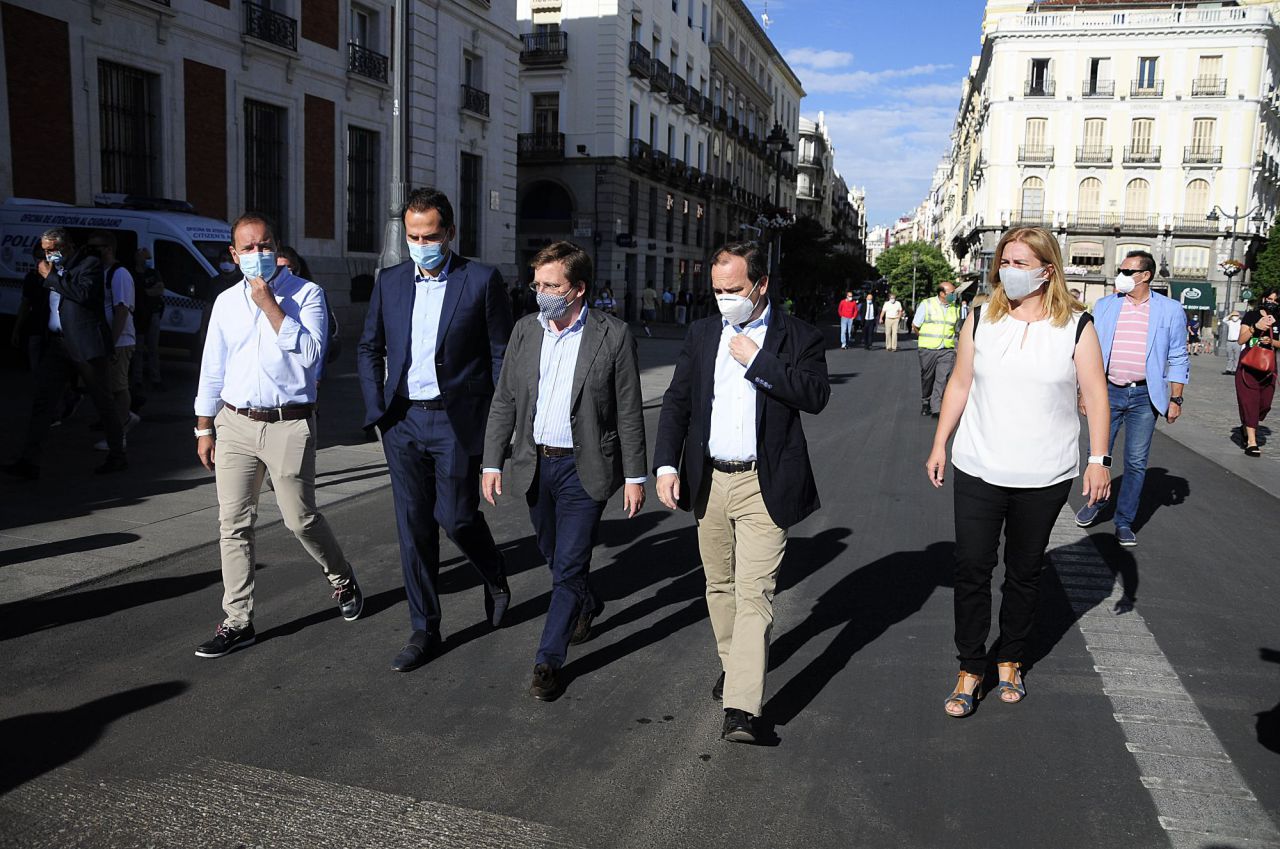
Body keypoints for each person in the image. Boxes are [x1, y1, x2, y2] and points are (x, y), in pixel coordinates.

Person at [926, 227, 1111, 718]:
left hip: (1045, 473)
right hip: (979, 464)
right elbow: (960, 384)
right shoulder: (980, 318)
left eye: (1020, 262)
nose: (1009, 269)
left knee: (1025, 572)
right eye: (1005, 260)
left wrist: (1098, 460)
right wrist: (940, 442)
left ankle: (1010, 657)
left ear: (1046, 269)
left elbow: (1095, 394)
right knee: (971, 568)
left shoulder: (1076, 324)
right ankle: (970, 666)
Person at [653, 241, 830, 744]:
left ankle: (742, 708)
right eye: (717, 291)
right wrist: (666, 465)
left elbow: (816, 395)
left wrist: (760, 363)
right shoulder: (703, 333)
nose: (725, 299)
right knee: (719, 587)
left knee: (756, 593)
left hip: (764, 482)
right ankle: (736, 669)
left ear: (761, 285)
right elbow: (677, 403)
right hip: (709, 477)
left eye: (734, 290)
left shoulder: (798, 336)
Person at [191, 213, 363, 657]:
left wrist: (269, 303)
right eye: (247, 248)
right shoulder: (226, 303)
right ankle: (237, 620)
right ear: (233, 255)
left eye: (264, 245)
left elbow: (311, 356)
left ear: (277, 247)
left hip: (289, 423)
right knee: (233, 524)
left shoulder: (307, 294)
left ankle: (342, 578)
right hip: (235, 422)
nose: (257, 254)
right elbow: (213, 367)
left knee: (300, 519)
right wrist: (204, 425)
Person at [357, 187, 514, 673]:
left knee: (457, 517)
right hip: (402, 420)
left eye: (429, 235)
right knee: (413, 528)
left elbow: (500, 357)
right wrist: (377, 409)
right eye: (411, 236)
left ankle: (493, 575)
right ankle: (424, 628)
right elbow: (369, 348)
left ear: (449, 233)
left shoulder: (482, 280)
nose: (420, 244)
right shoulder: (391, 280)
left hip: (456, 420)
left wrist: (497, 431)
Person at [482, 242, 647, 700]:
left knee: (569, 563)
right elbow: (505, 400)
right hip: (535, 463)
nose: (540, 293)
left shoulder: (612, 335)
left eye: (550, 285)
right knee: (553, 552)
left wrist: (636, 476)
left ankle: (547, 660)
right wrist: (491, 460)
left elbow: (629, 410)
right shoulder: (524, 332)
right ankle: (587, 601)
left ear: (577, 289)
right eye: (537, 284)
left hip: (584, 467)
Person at [1073, 251, 1189, 547]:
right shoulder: (1105, 305)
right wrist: (1083, 392)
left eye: (1127, 270)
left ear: (1145, 275)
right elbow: (1090, 353)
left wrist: (1176, 398)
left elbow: (1177, 356)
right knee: (1099, 454)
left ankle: (1124, 521)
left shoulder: (1170, 310)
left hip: (1144, 395)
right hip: (1107, 391)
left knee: (1136, 462)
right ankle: (1096, 502)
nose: (1120, 275)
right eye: (1121, 269)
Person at [2, 229, 126, 480]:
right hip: (57, 344)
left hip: (85, 344)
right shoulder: (47, 269)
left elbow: (82, 294)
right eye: (44, 250)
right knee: (43, 401)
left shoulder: (88, 265)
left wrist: (52, 277)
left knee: (103, 401)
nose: (47, 255)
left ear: (66, 246)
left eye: (51, 249)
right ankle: (29, 461)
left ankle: (117, 454)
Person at [88, 231, 140, 448]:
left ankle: (121, 431)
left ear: (108, 248)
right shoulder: (101, 272)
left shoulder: (119, 274)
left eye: (95, 247)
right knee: (109, 387)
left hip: (119, 341)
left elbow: (122, 310)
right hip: (107, 340)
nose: (91, 251)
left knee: (118, 388)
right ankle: (123, 420)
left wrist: (112, 342)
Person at [1236, 289, 1279, 457]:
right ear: (1263, 298)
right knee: (1250, 402)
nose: (1272, 303)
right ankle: (1251, 442)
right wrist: (1256, 328)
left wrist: (1272, 341)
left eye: (1276, 301)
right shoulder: (1251, 316)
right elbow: (1241, 340)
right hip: (1249, 364)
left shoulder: (1278, 319)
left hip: (1268, 367)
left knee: (1265, 404)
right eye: (1270, 299)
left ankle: (1247, 425)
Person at [913, 281, 961, 417]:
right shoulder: (926, 304)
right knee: (927, 377)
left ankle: (936, 407)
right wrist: (923, 338)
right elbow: (915, 325)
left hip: (946, 349)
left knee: (942, 378)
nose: (954, 296)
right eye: (952, 293)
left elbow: (957, 329)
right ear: (942, 293)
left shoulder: (954, 308)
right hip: (928, 349)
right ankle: (925, 401)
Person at [130, 247, 166, 392]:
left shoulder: (153, 273)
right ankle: (137, 380)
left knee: (153, 349)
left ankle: (155, 379)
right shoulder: (132, 274)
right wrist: (147, 292)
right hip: (137, 315)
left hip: (153, 313)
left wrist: (144, 292)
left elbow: (159, 289)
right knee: (137, 350)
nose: (148, 260)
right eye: (145, 257)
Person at [1223, 310, 1243, 375]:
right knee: (1229, 357)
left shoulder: (1241, 322)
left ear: (1239, 316)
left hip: (1237, 342)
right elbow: (1224, 320)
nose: (1235, 317)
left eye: (1236, 315)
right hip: (1230, 341)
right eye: (1234, 315)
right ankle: (1228, 369)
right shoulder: (1230, 322)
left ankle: (1235, 370)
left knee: (1237, 357)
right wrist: (1231, 314)